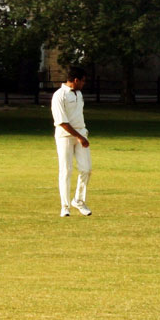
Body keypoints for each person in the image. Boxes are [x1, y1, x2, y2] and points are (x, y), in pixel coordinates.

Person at [51, 67, 92, 216]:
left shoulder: (79, 94)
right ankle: (65, 206)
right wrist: (80, 137)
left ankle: (78, 201)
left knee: (86, 169)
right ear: (76, 80)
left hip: (81, 133)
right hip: (65, 136)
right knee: (66, 171)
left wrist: (82, 134)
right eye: (83, 81)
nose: (83, 84)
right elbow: (62, 122)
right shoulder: (59, 95)